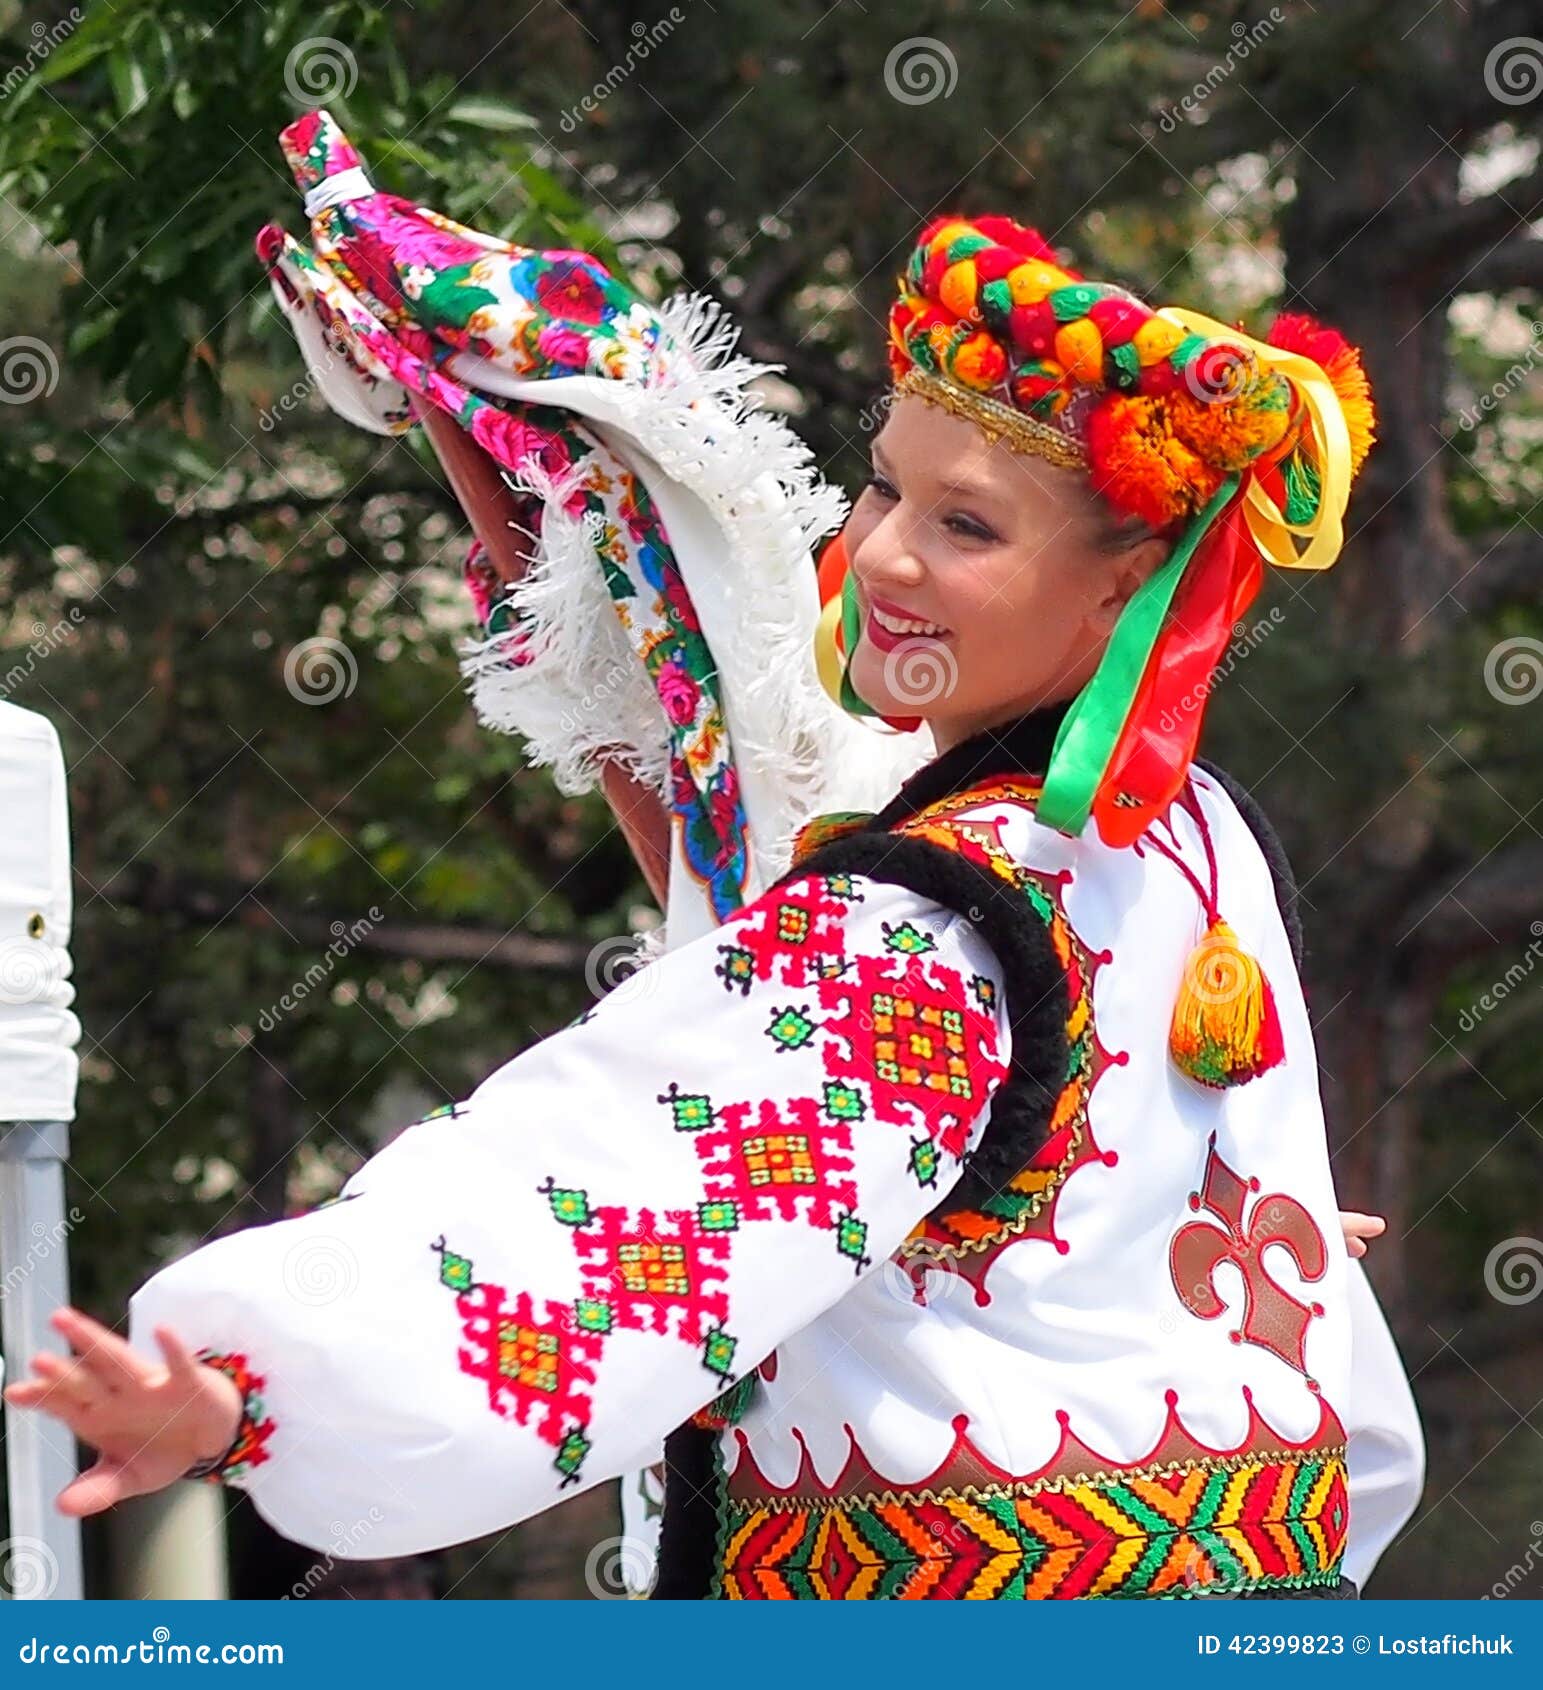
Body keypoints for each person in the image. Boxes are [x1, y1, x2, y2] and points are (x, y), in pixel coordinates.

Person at [5, 211, 1422, 1599]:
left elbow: (620, 1201)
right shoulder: (1192, 838)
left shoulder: (923, 929)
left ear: (1130, 591)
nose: (880, 557)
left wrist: (262, 1382)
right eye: (881, 489)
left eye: (967, 525)